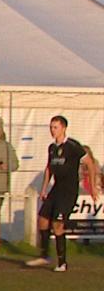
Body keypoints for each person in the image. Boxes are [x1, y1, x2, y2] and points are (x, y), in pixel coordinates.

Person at [25, 116, 99, 272]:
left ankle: (62, 263)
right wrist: (44, 189)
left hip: (68, 192)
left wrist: (92, 188)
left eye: (55, 127)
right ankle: (44, 256)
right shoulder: (52, 148)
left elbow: (90, 164)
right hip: (56, 189)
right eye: (51, 127)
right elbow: (49, 169)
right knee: (43, 221)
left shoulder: (73, 146)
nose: (53, 130)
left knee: (58, 225)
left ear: (64, 128)